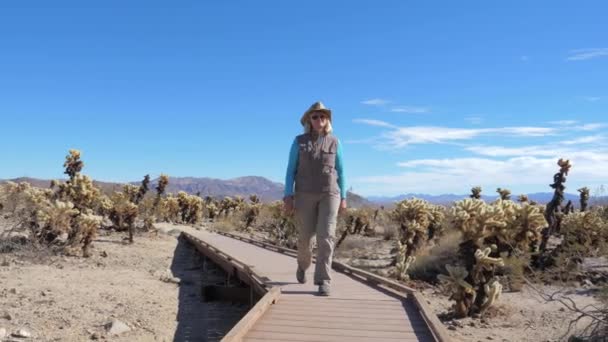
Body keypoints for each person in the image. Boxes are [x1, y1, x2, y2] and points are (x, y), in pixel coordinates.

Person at [283, 101, 347, 296]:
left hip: (330, 194)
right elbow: (290, 170)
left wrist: (343, 196)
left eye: (323, 116)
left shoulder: (335, 141)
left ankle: (323, 280)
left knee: (326, 236)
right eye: (315, 116)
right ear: (309, 120)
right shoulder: (299, 141)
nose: (319, 119)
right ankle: (303, 265)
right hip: (304, 194)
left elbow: (341, 171)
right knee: (305, 238)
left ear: (327, 120)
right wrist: (288, 195)